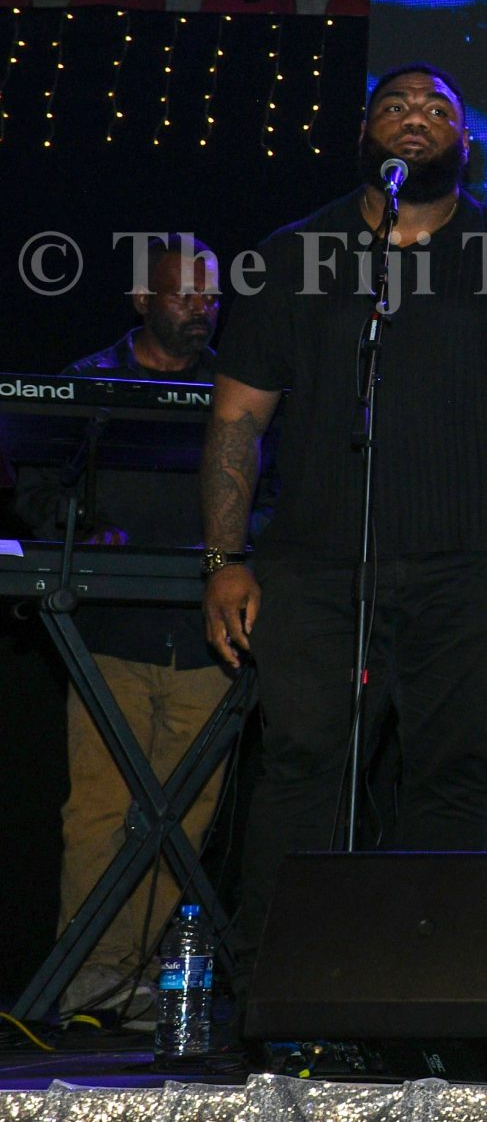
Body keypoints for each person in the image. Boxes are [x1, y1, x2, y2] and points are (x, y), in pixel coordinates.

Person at [200, 65, 487, 976]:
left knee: (453, 773)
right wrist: (224, 555)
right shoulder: (295, 254)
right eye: (394, 106)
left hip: (473, 567)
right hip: (316, 565)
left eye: (436, 109)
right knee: (301, 764)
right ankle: (281, 989)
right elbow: (236, 418)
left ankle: (423, 992)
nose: (414, 119)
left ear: (465, 141)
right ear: (365, 134)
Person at [21, 241, 232, 1020]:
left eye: (211, 298)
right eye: (185, 296)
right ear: (143, 298)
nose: (201, 310)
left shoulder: (234, 388)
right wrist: (84, 529)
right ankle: (89, 971)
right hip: (110, 633)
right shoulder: (90, 380)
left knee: (186, 815)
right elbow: (38, 486)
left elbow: (273, 485)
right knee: (101, 809)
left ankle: (135, 974)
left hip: (207, 634)